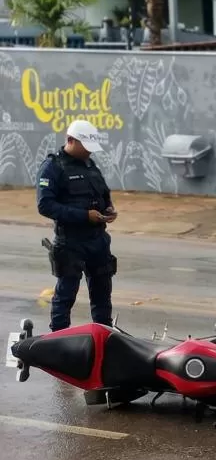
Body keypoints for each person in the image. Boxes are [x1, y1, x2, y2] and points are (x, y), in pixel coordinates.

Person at [36, 119, 118, 332]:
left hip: (98, 241)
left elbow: (103, 193)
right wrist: (84, 216)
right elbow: (45, 205)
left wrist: (109, 208)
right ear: (71, 140)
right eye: (86, 147)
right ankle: (59, 339)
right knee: (65, 295)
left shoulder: (90, 165)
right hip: (71, 243)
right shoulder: (53, 167)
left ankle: (104, 337)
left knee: (102, 295)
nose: (90, 152)